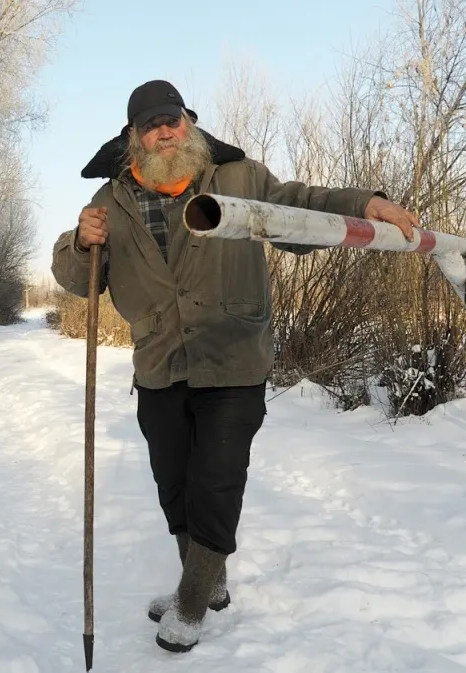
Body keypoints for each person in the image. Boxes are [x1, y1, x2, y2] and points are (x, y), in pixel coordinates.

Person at [50, 80, 421, 653]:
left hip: (233, 354)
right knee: (174, 484)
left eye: (172, 118)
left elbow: (300, 207)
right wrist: (79, 241)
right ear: (132, 139)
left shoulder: (240, 176)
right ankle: (207, 580)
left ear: (189, 122)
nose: (164, 130)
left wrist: (362, 203)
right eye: (151, 124)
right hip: (159, 361)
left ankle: (193, 600)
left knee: (217, 480)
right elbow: (81, 282)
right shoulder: (109, 201)